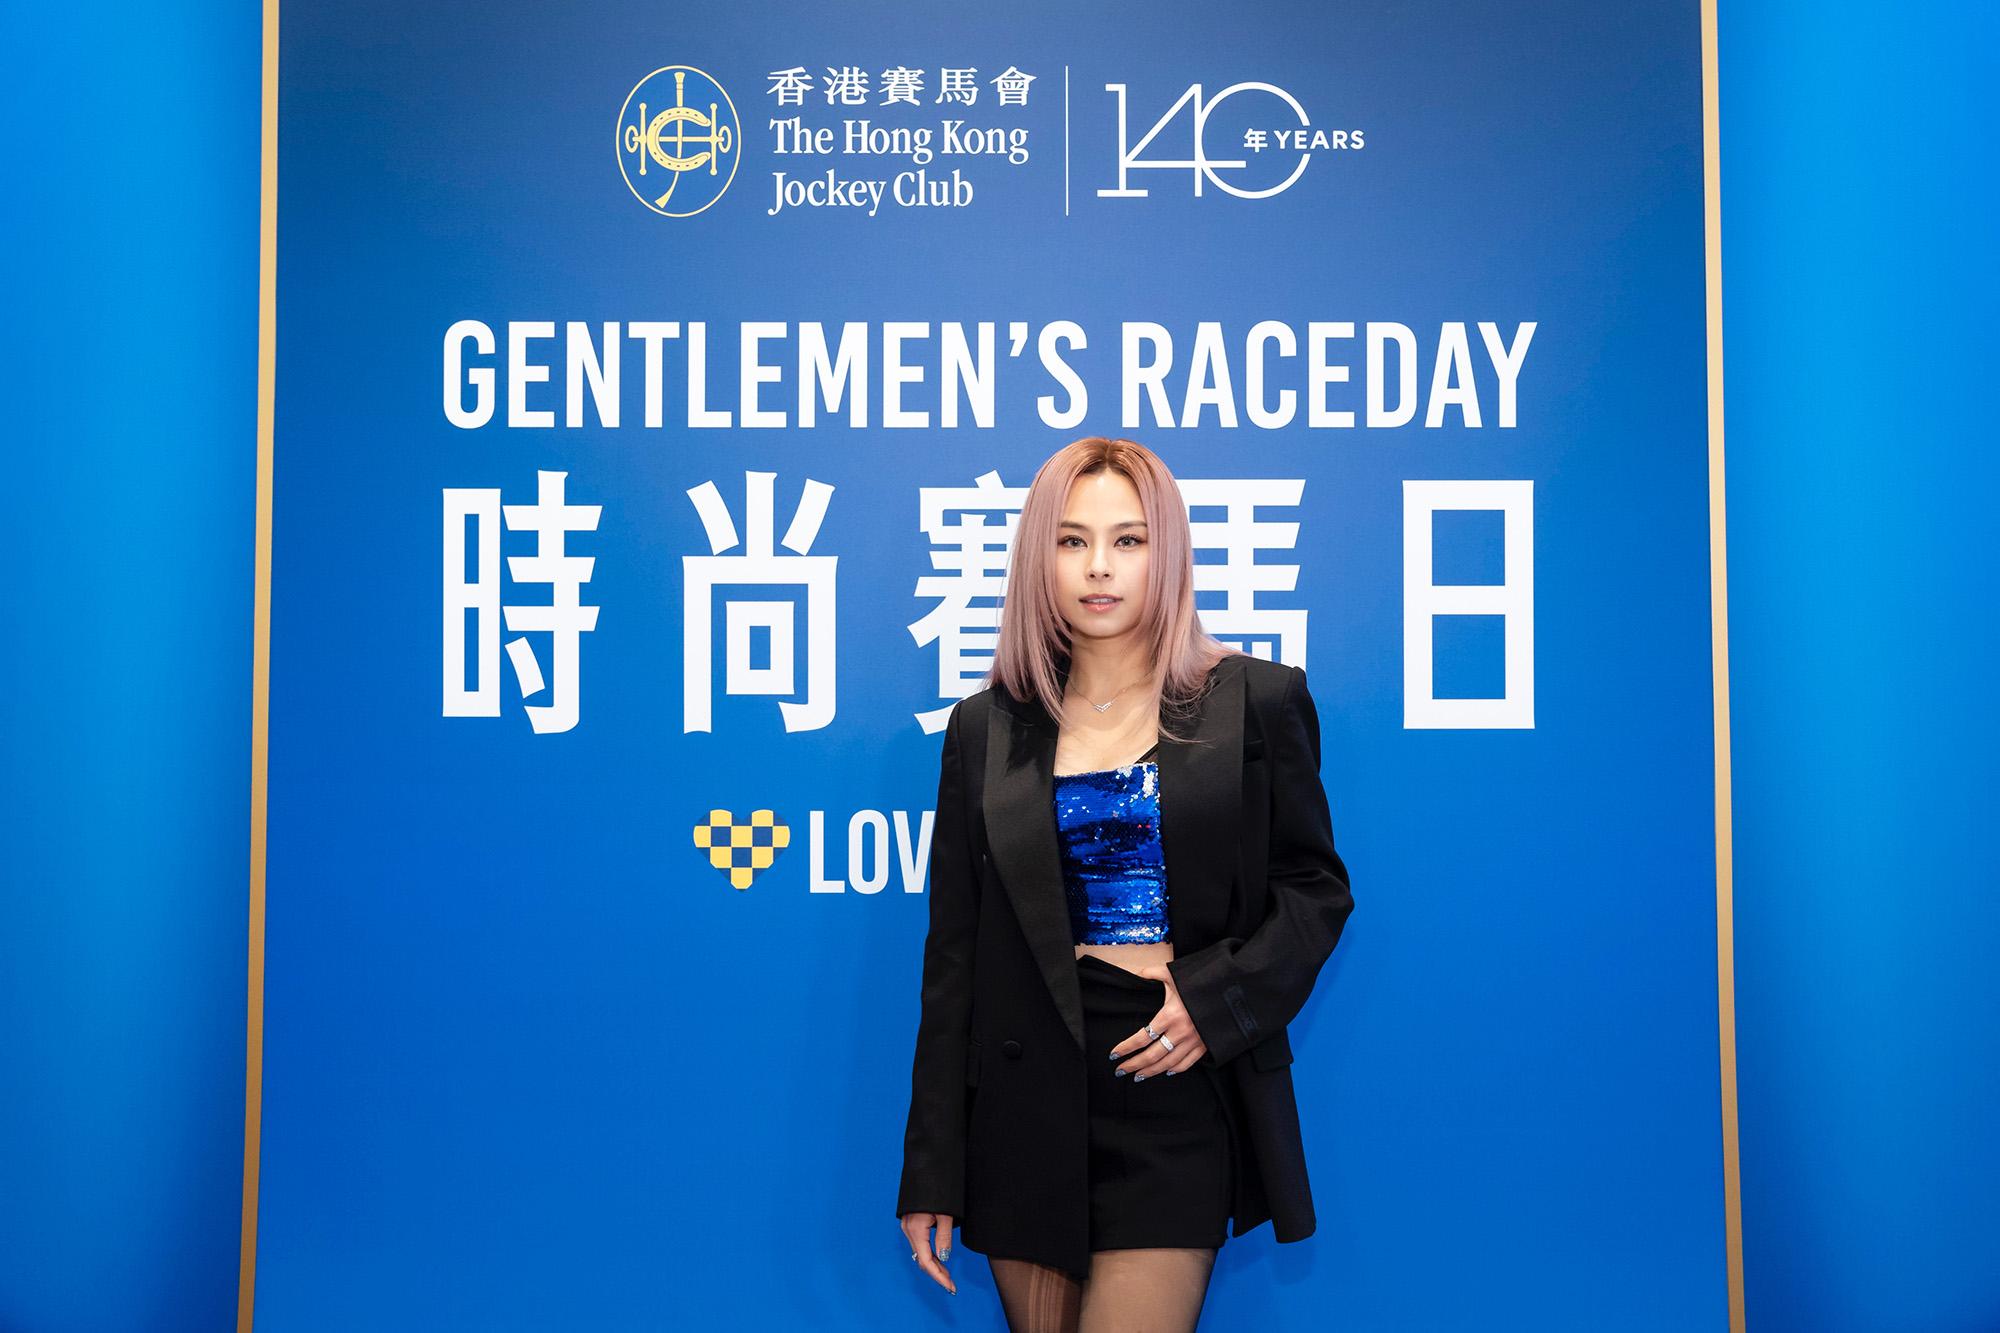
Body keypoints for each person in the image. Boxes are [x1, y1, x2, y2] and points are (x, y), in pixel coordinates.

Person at [895, 437, 1354, 1332]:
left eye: (1128, 540)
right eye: (1071, 540)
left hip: (1169, 1085)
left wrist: (1214, 1002)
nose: (1098, 566)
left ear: (1166, 552)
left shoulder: (1255, 702)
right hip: (1025, 1103)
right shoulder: (984, 729)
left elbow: (1314, 890)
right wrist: (932, 1169)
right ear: (1039, 558)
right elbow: (954, 959)